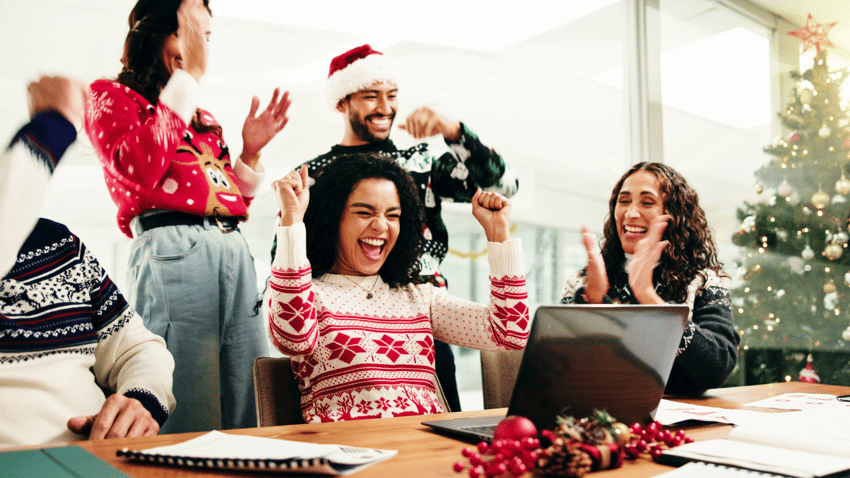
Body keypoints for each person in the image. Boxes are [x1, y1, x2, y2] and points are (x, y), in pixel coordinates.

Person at [84, 0, 290, 432]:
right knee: (186, 390)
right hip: (173, 246)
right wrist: (187, 81)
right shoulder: (111, 96)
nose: (204, 47)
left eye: (207, 37)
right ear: (159, 36)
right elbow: (139, 166)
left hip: (231, 245)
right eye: (195, 32)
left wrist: (250, 151)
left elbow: (227, 198)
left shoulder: (201, 115)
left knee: (248, 381)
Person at [284, 44, 520, 412]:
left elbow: (503, 185)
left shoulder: (420, 163)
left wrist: (452, 129)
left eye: (392, 95)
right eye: (370, 95)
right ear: (342, 101)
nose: (385, 106)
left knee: (440, 420)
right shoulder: (315, 174)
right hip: (338, 322)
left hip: (424, 316)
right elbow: (289, 264)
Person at [266, 153, 529, 422]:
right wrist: (293, 219)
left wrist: (498, 233)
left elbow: (509, 334)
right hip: (348, 455)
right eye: (364, 212)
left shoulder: (420, 296)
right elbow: (292, 337)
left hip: (423, 451)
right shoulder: (306, 293)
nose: (381, 226)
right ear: (332, 219)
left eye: (393, 215)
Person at [0, 75, 176, 447]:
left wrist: (140, 401)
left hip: (104, 459)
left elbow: (138, 349)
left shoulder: (60, 242)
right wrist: (54, 122)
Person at [560, 162, 738, 394]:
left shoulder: (703, 281)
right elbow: (559, 367)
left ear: (673, 215)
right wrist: (591, 303)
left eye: (647, 202)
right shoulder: (583, 281)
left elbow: (717, 367)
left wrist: (648, 296)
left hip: (677, 424)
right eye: (623, 201)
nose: (631, 213)